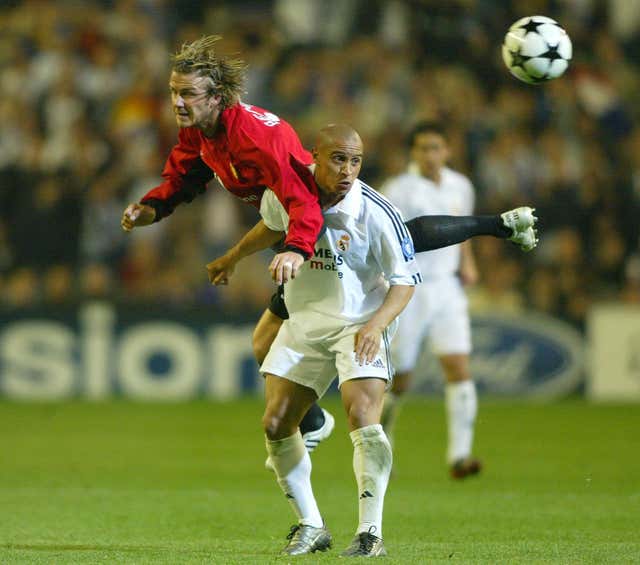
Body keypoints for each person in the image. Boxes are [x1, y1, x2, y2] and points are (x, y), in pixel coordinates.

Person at [119, 34, 335, 453]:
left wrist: (296, 248)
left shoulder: (256, 137)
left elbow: (303, 200)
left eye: (188, 94)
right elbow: (184, 179)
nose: (178, 103)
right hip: (297, 235)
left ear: (216, 97)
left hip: (329, 236)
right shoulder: (201, 132)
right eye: (173, 93)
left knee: (337, 351)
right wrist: (150, 208)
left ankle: (321, 431)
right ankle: (313, 422)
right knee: (265, 343)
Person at [223, 123, 418, 556]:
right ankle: (311, 525)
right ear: (315, 155)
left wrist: (375, 326)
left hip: (359, 323)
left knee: (363, 417)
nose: (347, 170)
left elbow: (405, 282)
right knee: (275, 424)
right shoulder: (286, 193)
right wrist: (233, 257)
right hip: (305, 322)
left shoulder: (376, 212)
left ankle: (370, 533)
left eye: (355, 161)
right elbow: (271, 227)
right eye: (338, 158)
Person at [381, 121, 535, 478]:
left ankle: (460, 456)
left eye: (436, 147)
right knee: (400, 378)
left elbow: (463, 231)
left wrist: (468, 263)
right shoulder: (398, 189)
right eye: (423, 148)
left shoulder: (460, 185)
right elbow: (387, 238)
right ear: (413, 152)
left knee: (458, 366)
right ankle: (380, 434)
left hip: (448, 288)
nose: (430, 155)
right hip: (410, 286)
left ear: (447, 150)